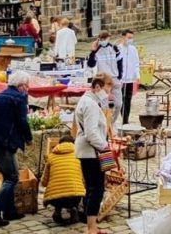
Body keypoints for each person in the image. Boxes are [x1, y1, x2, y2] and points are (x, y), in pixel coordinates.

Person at [0, 71, 33, 227]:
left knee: (8, 176)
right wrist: (28, 138)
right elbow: (22, 121)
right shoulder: (19, 98)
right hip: (4, 143)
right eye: (27, 85)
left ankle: (10, 211)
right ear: (21, 85)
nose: (28, 88)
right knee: (12, 178)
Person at [76, 73, 113, 234]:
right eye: (107, 88)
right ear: (97, 87)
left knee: (93, 188)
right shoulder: (90, 104)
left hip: (89, 151)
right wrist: (104, 146)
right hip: (92, 152)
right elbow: (91, 132)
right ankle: (91, 227)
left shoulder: (88, 101)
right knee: (96, 188)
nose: (108, 93)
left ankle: (92, 225)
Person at [41, 134, 85, 225]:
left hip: (56, 198)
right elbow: (83, 178)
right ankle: (74, 208)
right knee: (76, 192)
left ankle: (57, 211)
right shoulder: (78, 155)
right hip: (75, 196)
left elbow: (44, 181)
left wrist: (44, 184)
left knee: (58, 195)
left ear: (59, 144)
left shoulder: (51, 156)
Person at [87, 32, 124, 124]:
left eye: (105, 39)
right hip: (102, 80)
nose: (103, 41)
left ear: (109, 38)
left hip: (114, 78)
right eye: (101, 39)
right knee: (104, 104)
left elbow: (120, 63)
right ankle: (105, 122)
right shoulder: (97, 50)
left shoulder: (114, 49)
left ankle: (111, 121)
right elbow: (90, 64)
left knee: (119, 104)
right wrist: (93, 51)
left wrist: (120, 76)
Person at [117, 29, 140, 125]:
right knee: (122, 99)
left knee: (128, 99)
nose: (130, 40)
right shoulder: (118, 49)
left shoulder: (133, 49)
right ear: (123, 37)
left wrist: (137, 75)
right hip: (121, 79)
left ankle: (126, 118)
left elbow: (136, 63)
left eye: (132, 38)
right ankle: (124, 119)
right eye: (128, 38)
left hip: (130, 78)